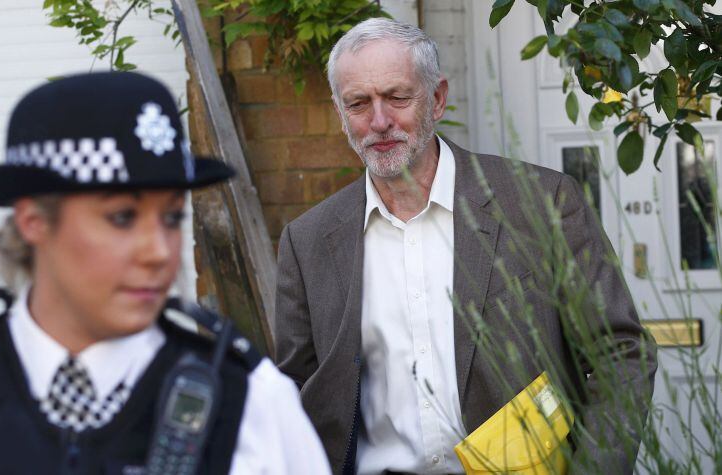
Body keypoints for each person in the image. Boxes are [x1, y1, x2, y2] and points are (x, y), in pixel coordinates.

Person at [272, 17, 658, 475]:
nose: (379, 122)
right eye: (358, 103)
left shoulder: (541, 204)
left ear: (436, 99)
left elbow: (621, 351)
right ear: (341, 114)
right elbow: (292, 395)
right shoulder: (309, 241)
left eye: (397, 97)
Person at [0, 72, 330, 475]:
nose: (159, 252)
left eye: (171, 217)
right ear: (33, 221)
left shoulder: (248, 404)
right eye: (122, 217)